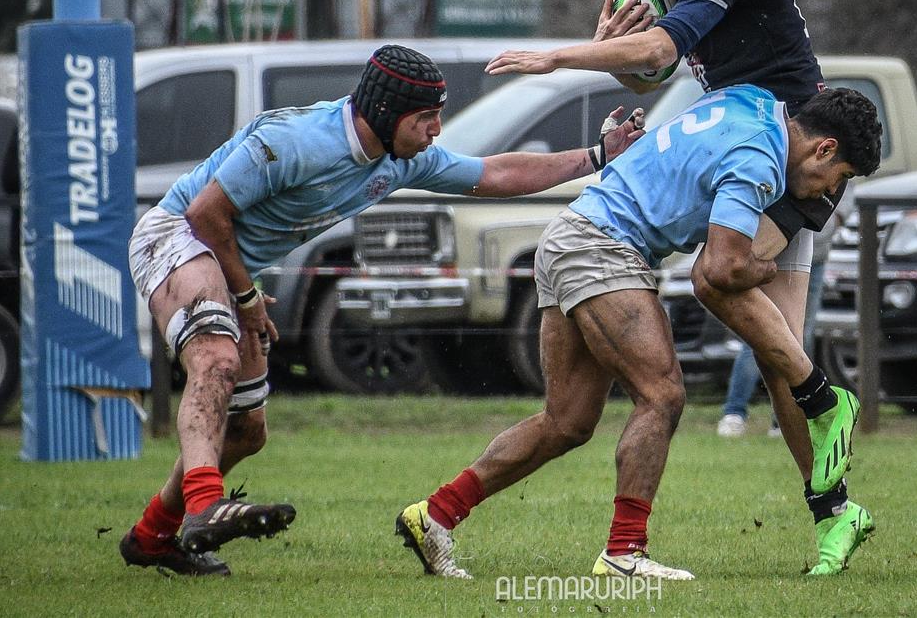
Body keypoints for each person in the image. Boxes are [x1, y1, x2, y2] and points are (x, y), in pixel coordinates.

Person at [119, 44, 646, 576]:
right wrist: (248, 297)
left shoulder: (400, 159)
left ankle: (152, 537)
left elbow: (496, 173)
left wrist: (597, 155)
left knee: (247, 432)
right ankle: (205, 506)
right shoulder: (295, 139)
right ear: (388, 114)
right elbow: (204, 214)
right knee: (217, 361)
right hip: (177, 238)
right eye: (427, 118)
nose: (437, 129)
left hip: (227, 262)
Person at [484, 0, 871, 574]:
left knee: (731, 292)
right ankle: (836, 506)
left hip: (799, 162)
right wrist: (611, 50)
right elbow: (651, 70)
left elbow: (660, 48)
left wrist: (557, 57)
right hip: (754, 163)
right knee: (776, 345)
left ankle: (828, 440)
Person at [397, 86, 880, 581]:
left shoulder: (751, 101)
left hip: (571, 232)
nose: (825, 193)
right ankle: (624, 552)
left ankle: (434, 515)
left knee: (566, 422)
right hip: (604, 246)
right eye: (836, 178)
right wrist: (766, 268)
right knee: (662, 395)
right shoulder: (760, 160)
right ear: (824, 148)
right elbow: (723, 269)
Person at [718, 201, 838, 437]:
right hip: (774, 250)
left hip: (814, 253)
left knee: (797, 336)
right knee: (759, 334)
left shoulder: (839, 175)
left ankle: (786, 418)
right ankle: (735, 410)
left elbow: (842, 202)